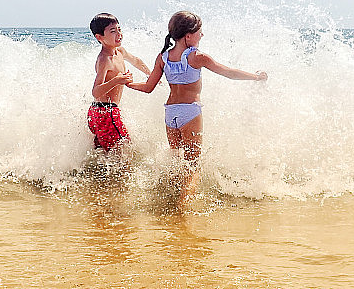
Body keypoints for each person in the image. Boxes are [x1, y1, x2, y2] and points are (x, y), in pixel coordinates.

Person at [128, 11, 267, 207]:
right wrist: (256, 77)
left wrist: (127, 83)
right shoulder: (197, 57)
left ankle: (170, 199)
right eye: (200, 32)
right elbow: (228, 73)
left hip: (170, 115)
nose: (202, 36)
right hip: (189, 113)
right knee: (193, 167)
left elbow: (148, 88)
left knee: (177, 161)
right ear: (188, 36)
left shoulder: (163, 57)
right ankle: (183, 208)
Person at [87, 13, 152, 151]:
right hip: (105, 112)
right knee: (125, 149)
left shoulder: (120, 51)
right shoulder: (105, 59)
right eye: (113, 31)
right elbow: (96, 91)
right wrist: (116, 80)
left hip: (100, 112)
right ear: (99, 37)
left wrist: (151, 75)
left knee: (106, 154)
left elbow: (136, 61)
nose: (119, 34)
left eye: (119, 29)